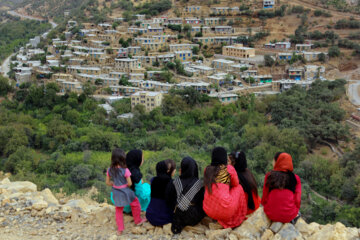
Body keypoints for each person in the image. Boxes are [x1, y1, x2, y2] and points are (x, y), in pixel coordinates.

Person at [202, 147, 247, 228]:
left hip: (208, 209)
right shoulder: (229, 169)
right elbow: (236, 183)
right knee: (239, 188)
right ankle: (235, 218)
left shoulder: (207, 169)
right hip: (225, 211)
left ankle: (215, 217)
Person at [105, 148, 146, 235]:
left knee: (118, 210)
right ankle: (138, 220)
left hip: (116, 191)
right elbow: (130, 183)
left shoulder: (109, 170)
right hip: (126, 191)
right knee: (135, 203)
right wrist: (124, 185)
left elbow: (107, 182)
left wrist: (114, 184)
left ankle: (120, 229)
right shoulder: (126, 170)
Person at [166, 157, 205, 234]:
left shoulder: (175, 182)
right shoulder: (199, 183)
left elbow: (170, 200)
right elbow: (202, 202)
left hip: (177, 216)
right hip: (193, 217)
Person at [261, 152, 301, 223]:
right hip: (289, 215)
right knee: (298, 213)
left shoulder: (269, 175)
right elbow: (297, 200)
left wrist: (267, 206)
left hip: (271, 214)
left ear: (278, 161)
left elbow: (264, 197)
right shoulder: (295, 178)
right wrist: (295, 209)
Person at [146, 159, 176, 226]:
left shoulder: (153, 180)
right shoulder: (172, 182)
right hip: (164, 218)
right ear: (167, 170)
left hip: (150, 216)